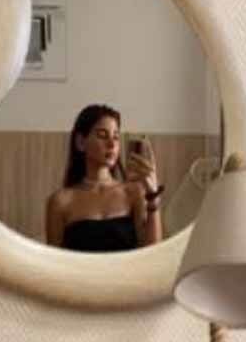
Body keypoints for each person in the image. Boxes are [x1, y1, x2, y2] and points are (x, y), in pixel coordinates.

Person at [45, 104, 163, 252]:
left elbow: (153, 253)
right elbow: (55, 261)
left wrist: (153, 196)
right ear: (81, 142)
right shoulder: (60, 201)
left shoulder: (133, 193)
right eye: (102, 135)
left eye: (116, 137)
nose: (112, 144)